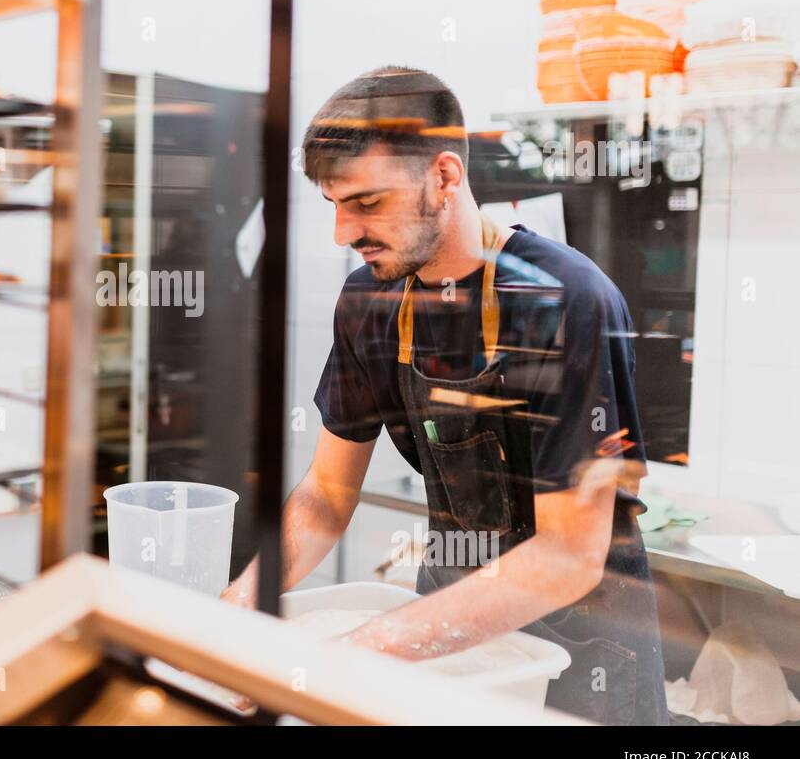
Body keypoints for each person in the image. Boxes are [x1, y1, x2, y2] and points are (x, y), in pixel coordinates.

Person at [222, 66, 667, 725]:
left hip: (582, 658)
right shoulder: (370, 303)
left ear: (445, 176)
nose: (342, 233)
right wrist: (236, 609)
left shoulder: (566, 302)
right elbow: (324, 497)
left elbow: (567, 558)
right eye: (334, 206)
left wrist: (363, 652)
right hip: (449, 637)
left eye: (367, 203)